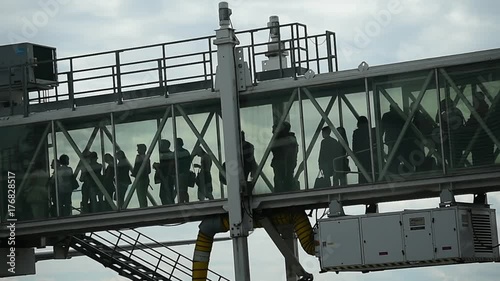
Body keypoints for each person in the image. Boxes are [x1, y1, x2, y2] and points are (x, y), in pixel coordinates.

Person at [466, 92, 494, 166]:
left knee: (480, 162)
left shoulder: (479, 109)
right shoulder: (486, 109)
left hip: (479, 141)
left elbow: (473, 122)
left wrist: (467, 125)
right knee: (488, 162)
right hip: (486, 141)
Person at [270, 121, 299, 193]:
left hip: (281, 163)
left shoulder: (282, 140)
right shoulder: (290, 139)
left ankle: (282, 191)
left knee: (280, 180)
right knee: (284, 179)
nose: (273, 131)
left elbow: (275, 150)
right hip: (285, 163)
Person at [436, 98, 465, 168]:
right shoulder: (455, 111)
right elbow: (437, 120)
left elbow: (440, 120)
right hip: (452, 139)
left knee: (454, 157)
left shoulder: (453, 112)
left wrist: (440, 111)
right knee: (453, 158)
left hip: (453, 139)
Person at [381, 105, 408, 174]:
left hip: (391, 140)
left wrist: (379, 138)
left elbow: (382, 128)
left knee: (392, 157)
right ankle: (402, 170)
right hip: (400, 139)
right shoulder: (400, 115)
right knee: (401, 156)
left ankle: (393, 170)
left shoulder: (386, 116)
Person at [352, 116, 374, 184]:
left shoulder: (356, 133)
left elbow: (354, 146)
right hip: (369, 155)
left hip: (360, 156)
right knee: (371, 171)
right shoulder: (370, 131)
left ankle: (362, 183)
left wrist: (355, 157)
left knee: (362, 173)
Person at [154, 139, 176, 205]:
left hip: (167, 176)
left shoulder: (168, 155)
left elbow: (170, 165)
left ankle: (168, 206)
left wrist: (168, 175)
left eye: (161, 145)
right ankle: (168, 205)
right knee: (165, 194)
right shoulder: (165, 155)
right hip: (165, 176)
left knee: (166, 194)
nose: (160, 146)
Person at [132, 144, 151, 208]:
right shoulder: (147, 158)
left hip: (141, 178)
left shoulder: (139, 157)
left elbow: (137, 168)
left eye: (138, 148)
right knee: (143, 195)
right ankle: (144, 206)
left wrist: (135, 174)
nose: (137, 150)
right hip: (145, 178)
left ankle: (143, 207)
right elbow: (149, 170)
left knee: (141, 194)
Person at [175, 138, 192, 203]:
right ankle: (186, 201)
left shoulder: (178, 153)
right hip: (184, 173)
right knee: (184, 190)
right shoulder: (186, 152)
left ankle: (181, 202)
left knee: (180, 190)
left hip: (180, 173)